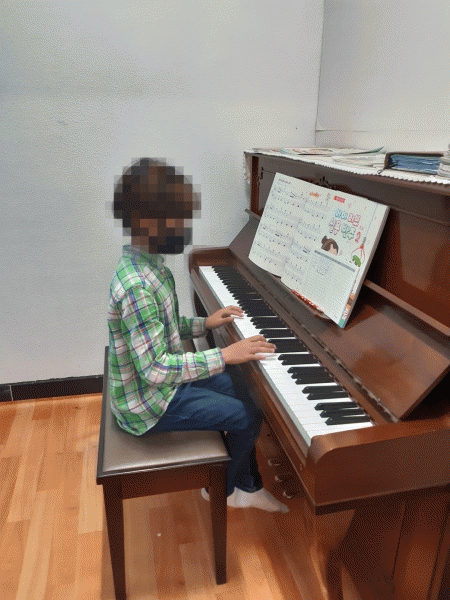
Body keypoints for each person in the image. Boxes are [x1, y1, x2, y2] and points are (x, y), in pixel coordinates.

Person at [107, 157, 289, 513]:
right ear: (149, 223)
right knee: (246, 416)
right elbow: (155, 369)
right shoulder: (137, 288)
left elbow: (165, 328)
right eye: (179, 221)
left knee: (247, 390)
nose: (185, 229)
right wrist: (223, 355)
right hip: (148, 404)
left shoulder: (150, 267)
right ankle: (220, 490)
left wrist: (204, 325)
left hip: (160, 385)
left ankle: (249, 486)